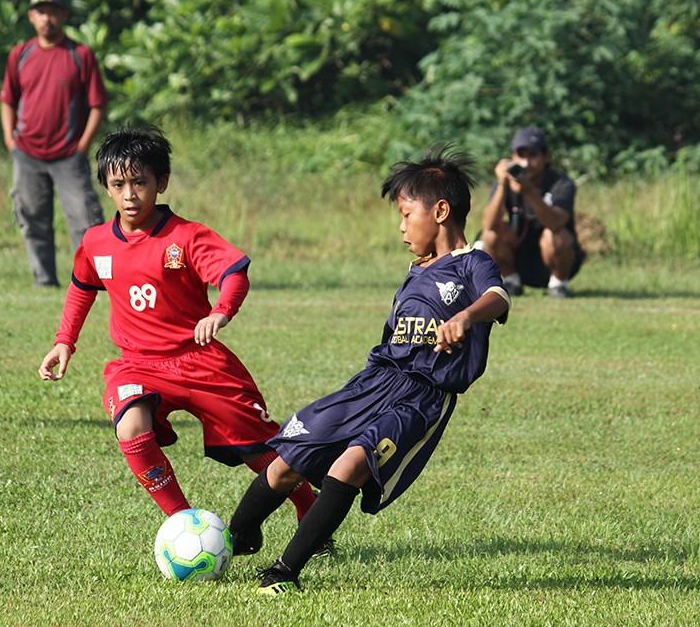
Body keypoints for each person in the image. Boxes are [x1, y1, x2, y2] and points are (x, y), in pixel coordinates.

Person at [227, 146, 511, 594]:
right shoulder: (417, 269)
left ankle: (284, 572)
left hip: (421, 396)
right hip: (372, 382)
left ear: (440, 211)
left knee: (351, 465)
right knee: (286, 462)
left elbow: (499, 297)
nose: (400, 227)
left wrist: (465, 317)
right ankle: (234, 539)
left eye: (405, 214)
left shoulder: (473, 263)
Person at [37, 126, 317, 524]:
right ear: (106, 187)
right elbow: (82, 288)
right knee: (130, 426)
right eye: (119, 184)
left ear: (161, 183)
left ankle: (311, 513)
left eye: (140, 182)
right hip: (137, 363)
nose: (130, 194)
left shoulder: (186, 237)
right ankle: (183, 523)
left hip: (200, 361)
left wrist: (220, 310)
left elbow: (234, 274)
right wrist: (64, 341)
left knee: (257, 450)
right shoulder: (96, 241)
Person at [0, 0, 106, 288]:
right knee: (32, 219)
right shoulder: (21, 54)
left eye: (53, 12)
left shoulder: (80, 55)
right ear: (32, 16)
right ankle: (44, 281)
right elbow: (7, 98)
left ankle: (89, 282)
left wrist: (83, 145)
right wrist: (10, 139)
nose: (47, 18)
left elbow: (98, 104)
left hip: (68, 154)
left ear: (64, 16)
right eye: (41, 12)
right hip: (27, 152)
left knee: (85, 220)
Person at [478, 126, 585, 298]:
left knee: (556, 236)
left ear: (546, 156)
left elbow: (556, 223)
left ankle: (558, 284)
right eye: (521, 155)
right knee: (489, 235)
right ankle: (512, 280)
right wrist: (502, 185)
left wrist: (529, 192)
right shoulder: (505, 183)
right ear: (512, 157)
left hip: (556, 259)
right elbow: (488, 225)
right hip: (520, 256)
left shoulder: (562, 183)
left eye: (532, 155)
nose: (526, 162)